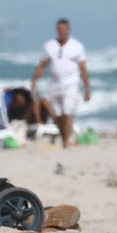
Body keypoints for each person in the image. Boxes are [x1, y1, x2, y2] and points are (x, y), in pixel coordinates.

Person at [30, 18, 90, 148]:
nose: (61, 32)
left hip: (71, 84)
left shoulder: (76, 46)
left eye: (64, 29)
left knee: (68, 112)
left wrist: (87, 89)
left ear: (68, 30)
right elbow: (42, 65)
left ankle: (67, 141)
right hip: (54, 84)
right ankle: (64, 140)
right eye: (59, 29)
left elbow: (83, 68)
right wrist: (34, 80)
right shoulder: (49, 46)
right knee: (58, 114)